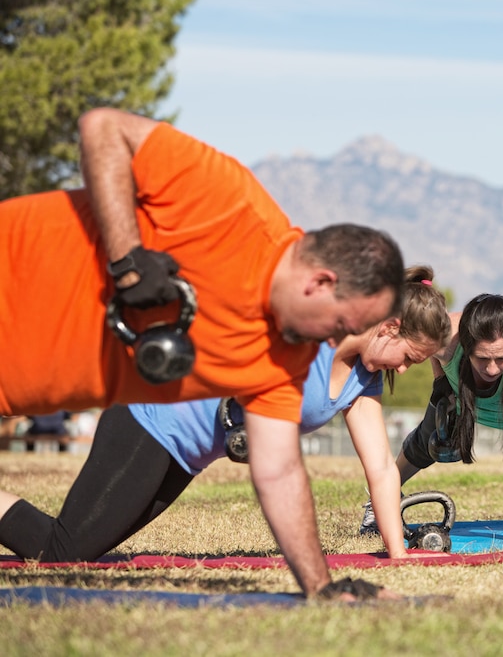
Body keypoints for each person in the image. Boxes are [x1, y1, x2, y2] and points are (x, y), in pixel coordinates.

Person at [0, 107, 405, 599]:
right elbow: (102, 126)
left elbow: (277, 469)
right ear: (321, 283)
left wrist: (320, 587)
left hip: (21, 378)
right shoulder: (229, 202)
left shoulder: (286, 356)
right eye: (342, 325)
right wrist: (127, 261)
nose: (333, 342)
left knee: (69, 551)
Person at [0, 267, 450, 588]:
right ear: (389, 328)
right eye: (409, 357)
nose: (406, 371)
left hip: (184, 457)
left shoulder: (363, 379)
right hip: (150, 419)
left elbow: (381, 469)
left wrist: (397, 554)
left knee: (81, 553)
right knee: (61, 555)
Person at [360, 294, 503, 544]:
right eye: (482, 358)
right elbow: (416, 347)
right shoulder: (446, 337)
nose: (492, 369)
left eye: (501, 359)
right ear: (466, 345)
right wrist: (441, 382)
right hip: (464, 399)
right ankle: (381, 499)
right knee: (423, 442)